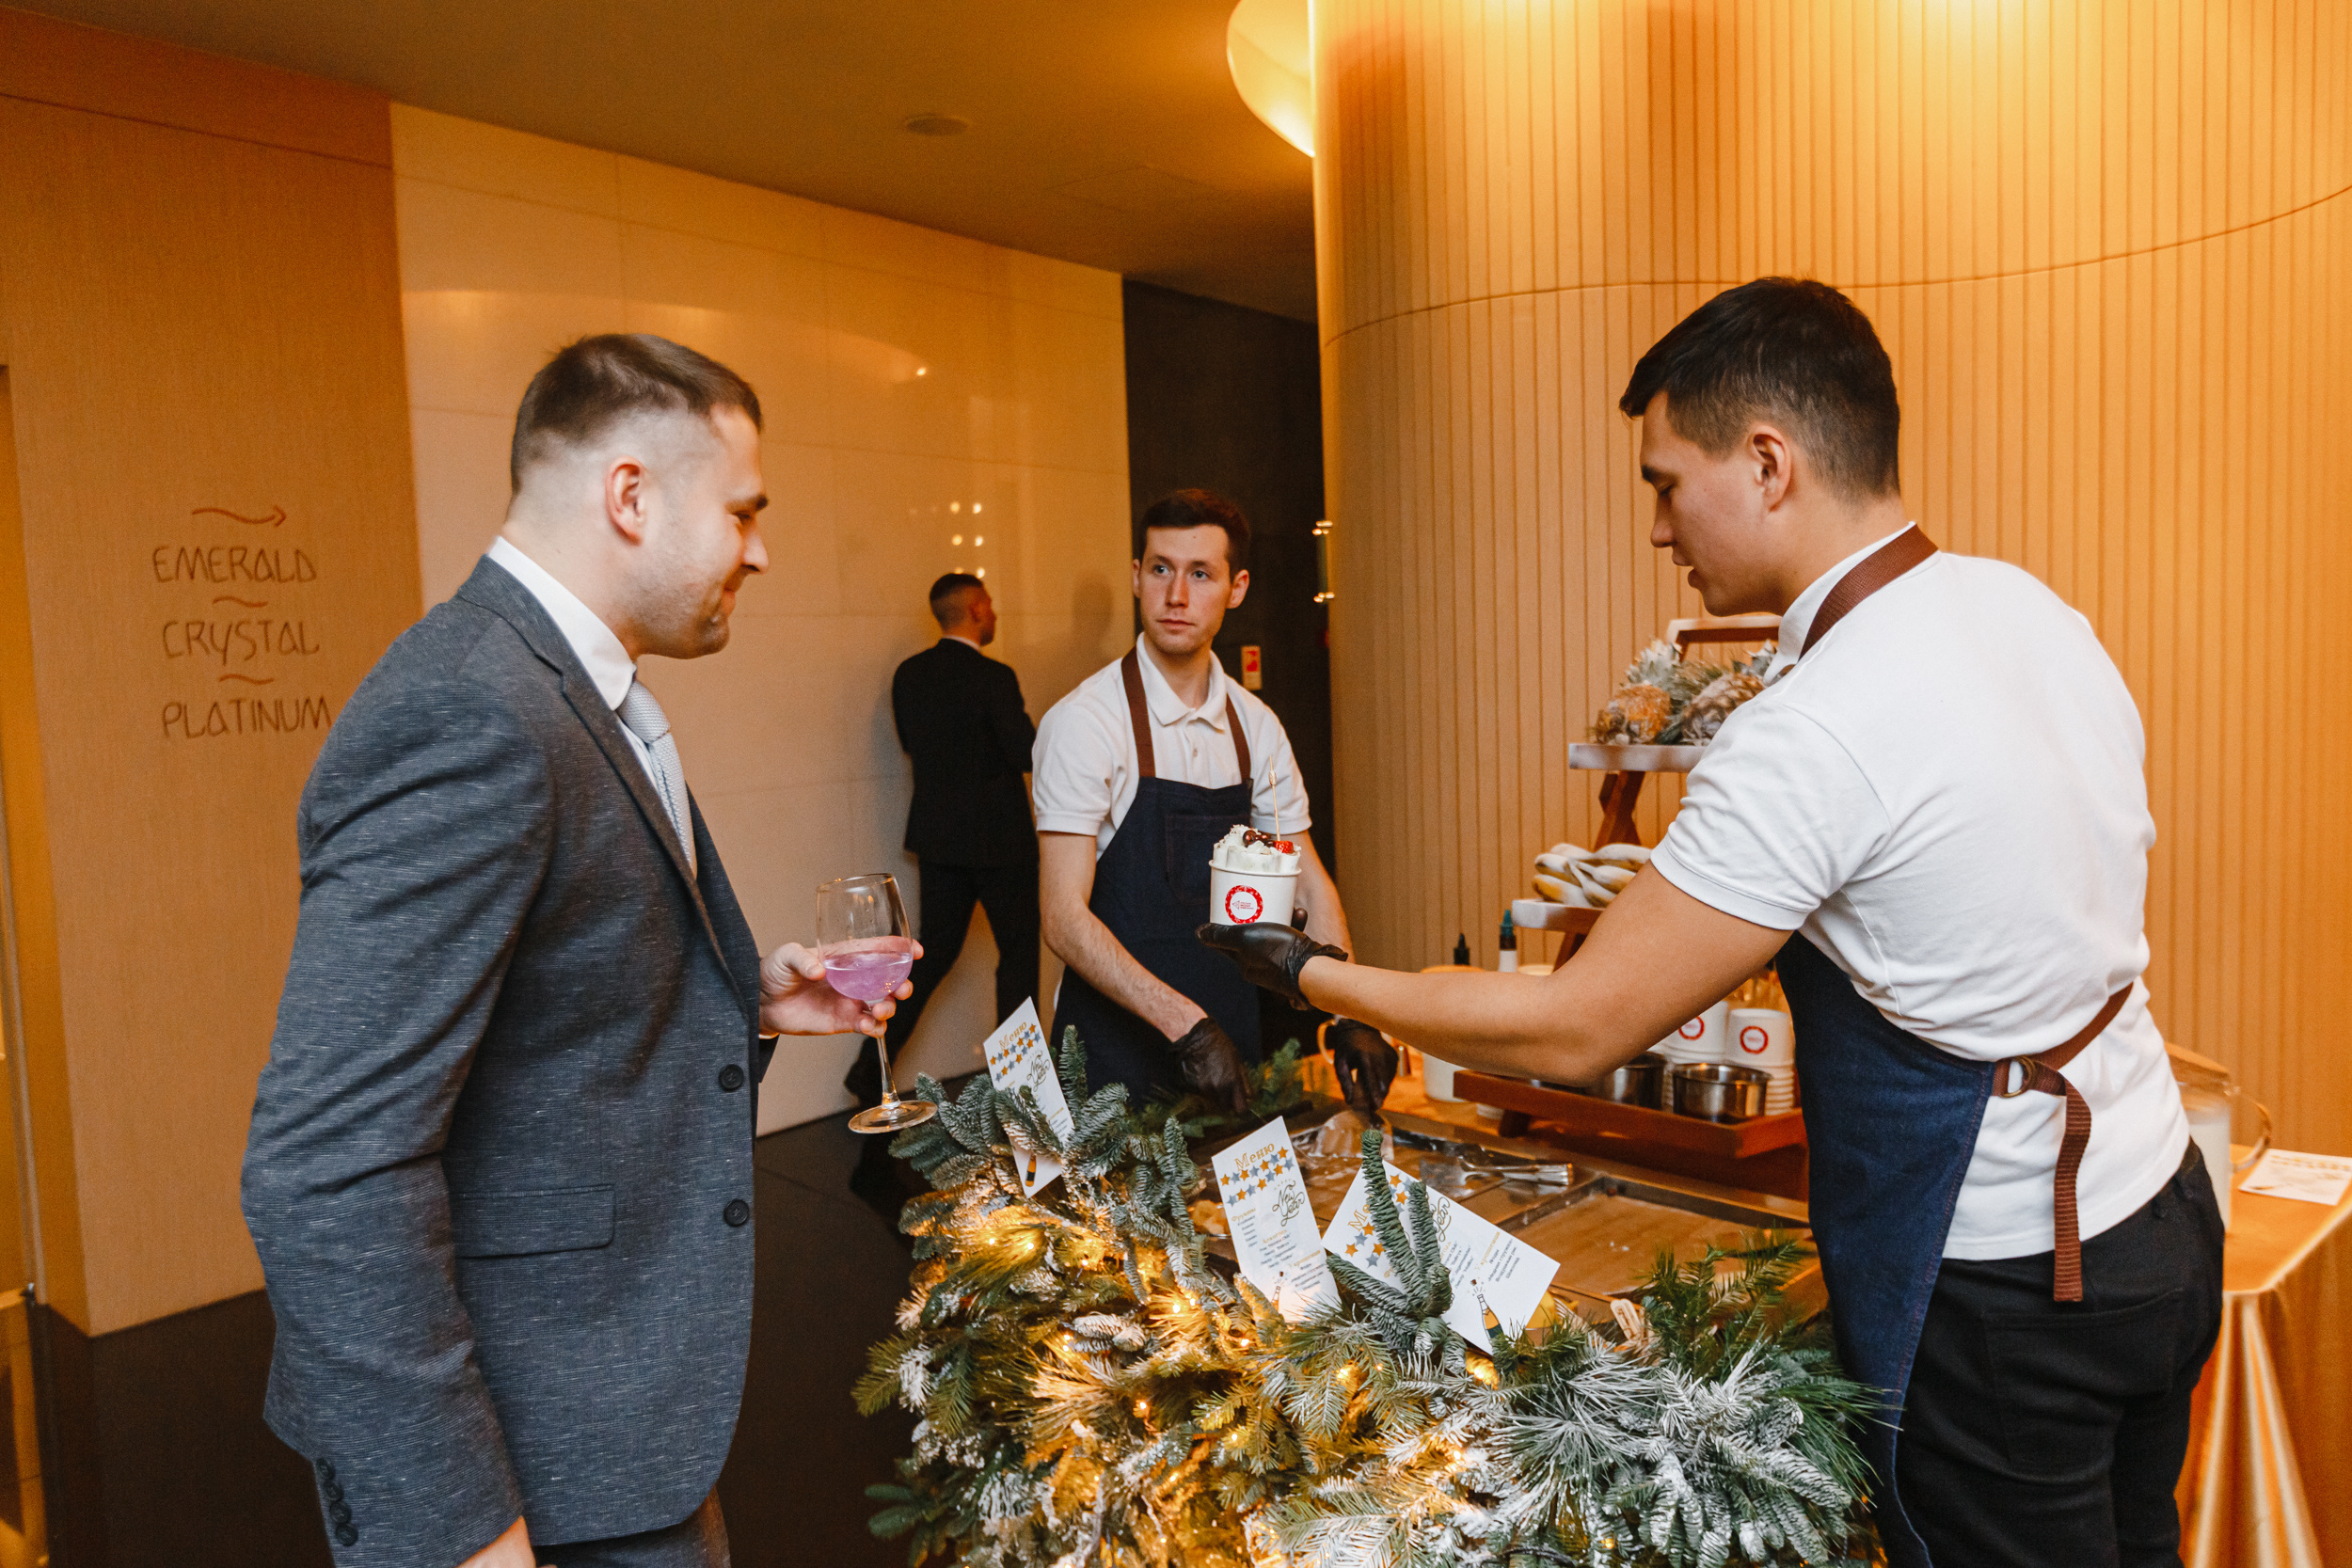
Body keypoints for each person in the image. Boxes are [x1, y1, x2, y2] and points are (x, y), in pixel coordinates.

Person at [1205, 279, 2220, 1568]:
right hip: (2160, 1207)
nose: (1657, 527)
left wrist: (1320, 972)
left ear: (1768, 462)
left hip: (2012, 1276)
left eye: (1667, 481)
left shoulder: (1816, 724)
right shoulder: (2024, 604)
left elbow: (1580, 1026)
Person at [242, 334, 910, 1568]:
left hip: (607, 1422)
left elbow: (551, 1010)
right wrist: (464, 1528)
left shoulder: (569, 687)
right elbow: (323, 1166)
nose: (761, 550)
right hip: (520, 1459)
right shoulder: (472, 709)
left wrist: (749, 1003)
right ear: (630, 495)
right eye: (744, 510)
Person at [1034, 488, 1394, 1116]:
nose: (1177, 595)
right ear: (1137, 576)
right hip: (1114, 1070)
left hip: (1234, 1054)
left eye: (1201, 574)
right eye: (1160, 568)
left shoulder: (1257, 728)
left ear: (1237, 587)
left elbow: (1306, 879)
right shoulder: (1086, 723)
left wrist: (1349, 1011)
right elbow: (1063, 918)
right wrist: (1186, 1026)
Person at [844, 575, 1038, 1177]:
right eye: (992, 606)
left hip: (940, 839)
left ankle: (866, 1072)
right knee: (1020, 958)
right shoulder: (996, 678)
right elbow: (1023, 752)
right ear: (979, 611)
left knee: (930, 957)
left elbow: (911, 745)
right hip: (1002, 840)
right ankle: (1020, 1090)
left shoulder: (910, 676)